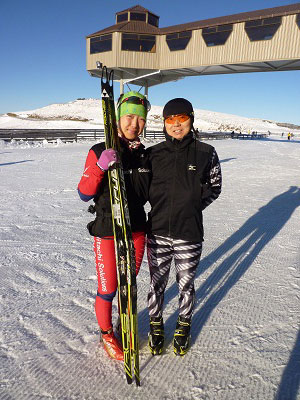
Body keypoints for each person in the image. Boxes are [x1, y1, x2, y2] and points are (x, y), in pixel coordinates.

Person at [77, 91, 151, 360]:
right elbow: (84, 192)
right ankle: (107, 333)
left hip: (137, 231)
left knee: (128, 285)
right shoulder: (98, 150)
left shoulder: (145, 155)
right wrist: (100, 167)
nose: (134, 124)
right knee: (108, 288)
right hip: (107, 230)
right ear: (118, 118)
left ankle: (126, 325)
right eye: (129, 117)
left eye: (140, 119)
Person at [146, 98, 222, 356]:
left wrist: (192, 206)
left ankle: (183, 325)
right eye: (170, 119)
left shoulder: (206, 152)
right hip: (156, 232)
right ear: (164, 122)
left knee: (185, 284)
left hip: (189, 233)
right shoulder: (153, 154)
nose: (176, 125)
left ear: (191, 118)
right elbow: (141, 188)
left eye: (182, 119)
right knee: (156, 283)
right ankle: (155, 325)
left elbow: (215, 187)